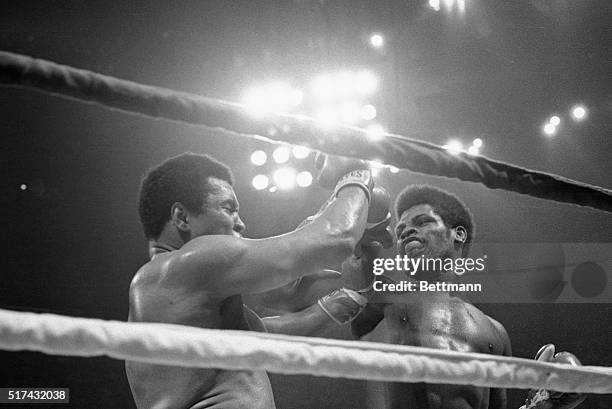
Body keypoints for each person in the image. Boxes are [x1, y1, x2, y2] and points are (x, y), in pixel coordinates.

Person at [125, 152, 388, 409]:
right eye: (228, 208)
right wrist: (355, 175)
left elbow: (264, 335)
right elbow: (336, 239)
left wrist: (348, 299)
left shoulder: (168, 293)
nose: (241, 224)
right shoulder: (185, 264)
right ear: (182, 218)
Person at [351, 184, 585, 409]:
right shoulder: (386, 298)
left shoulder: (495, 331)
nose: (406, 232)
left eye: (423, 222)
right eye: (400, 231)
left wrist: (541, 403)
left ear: (458, 234)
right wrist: (360, 207)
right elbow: (357, 264)